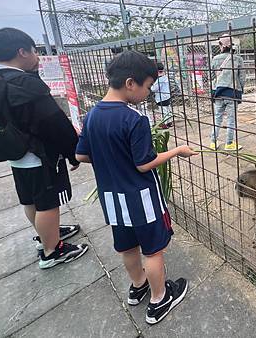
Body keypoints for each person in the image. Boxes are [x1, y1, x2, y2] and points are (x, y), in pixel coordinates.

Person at [75, 50, 197, 325]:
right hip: (141, 199)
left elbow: (81, 155)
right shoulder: (135, 119)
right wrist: (177, 150)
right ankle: (159, 299)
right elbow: (145, 163)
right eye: (148, 87)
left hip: (112, 199)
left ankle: (138, 285)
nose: (148, 93)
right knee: (153, 250)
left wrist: (109, 157)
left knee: (128, 248)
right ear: (131, 83)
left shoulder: (92, 115)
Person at [0, 28, 87, 268]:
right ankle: (52, 251)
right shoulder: (24, 84)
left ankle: (47, 235)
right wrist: (72, 152)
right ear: (21, 52)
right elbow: (53, 124)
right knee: (48, 203)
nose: (37, 56)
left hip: (15, 153)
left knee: (30, 199)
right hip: (39, 155)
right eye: (35, 51)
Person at [209, 34, 246, 151]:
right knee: (231, 119)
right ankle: (229, 143)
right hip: (232, 93)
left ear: (221, 45)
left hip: (218, 92)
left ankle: (213, 142)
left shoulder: (214, 59)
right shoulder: (238, 59)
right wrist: (241, 90)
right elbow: (242, 78)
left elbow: (211, 76)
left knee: (217, 118)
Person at [150, 63, 172, 128]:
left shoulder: (159, 80)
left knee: (163, 111)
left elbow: (153, 89)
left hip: (161, 97)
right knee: (168, 110)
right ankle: (169, 122)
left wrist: (151, 86)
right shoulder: (165, 77)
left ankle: (164, 124)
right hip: (167, 96)